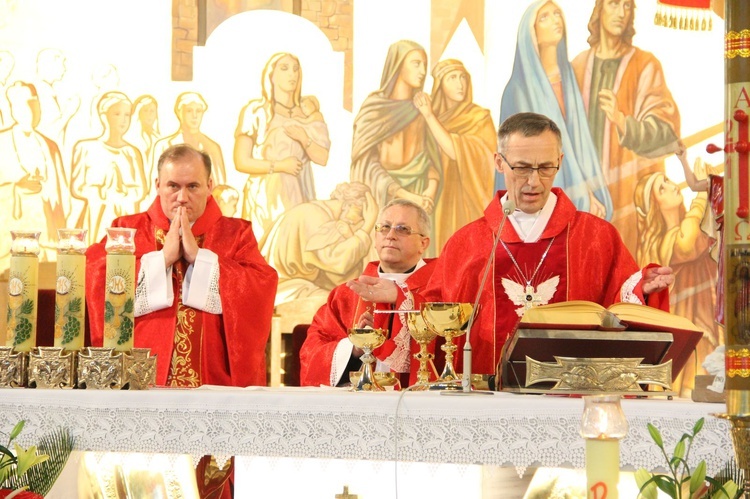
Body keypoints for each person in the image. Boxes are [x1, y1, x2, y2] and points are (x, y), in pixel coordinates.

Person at [347, 112, 674, 377]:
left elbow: (618, 309)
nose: (534, 181)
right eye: (521, 168)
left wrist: (640, 289)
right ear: (499, 162)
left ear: (559, 160)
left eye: (546, 167)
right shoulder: (469, 241)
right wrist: (402, 295)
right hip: (486, 397)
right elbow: (439, 310)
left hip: (573, 397)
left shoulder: (596, 237)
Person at [85, 143, 278, 388]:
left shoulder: (236, 233)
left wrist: (200, 259)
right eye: (173, 186)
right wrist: (162, 259)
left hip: (213, 381)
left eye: (193, 186)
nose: (182, 197)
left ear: (209, 186)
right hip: (137, 379)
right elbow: (96, 275)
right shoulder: (127, 230)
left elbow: (260, 286)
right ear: (157, 185)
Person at [571, 0, 680, 255]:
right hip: (584, 194)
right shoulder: (577, 66)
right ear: (599, 10)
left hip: (628, 194)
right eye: (613, 4)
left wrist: (623, 123)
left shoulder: (645, 64)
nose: (621, 13)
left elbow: (667, 132)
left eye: (628, 6)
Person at [301, 198, 436, 387]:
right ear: (375, 238)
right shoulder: (346, 294)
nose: (390, 235)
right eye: (384, 227)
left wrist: (403, 299)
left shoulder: (439, 288)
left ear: (423, 243)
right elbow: (312, 351)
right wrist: (354, 348)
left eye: (402, 229)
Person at [498, 0, 612, 220]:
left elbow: (580, 144)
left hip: (584, 195)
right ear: (531, 33)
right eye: (544, 17)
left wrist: (590, 190)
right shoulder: (518, 90)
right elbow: (531, 152)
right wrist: (581, 196)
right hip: (537, 198)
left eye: (557, 14)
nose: (555, 21)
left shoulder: (569, 79)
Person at [634, 151, 722, 396]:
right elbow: (688, 241)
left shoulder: (685, 226)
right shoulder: (666, 240)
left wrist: (685, 163)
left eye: (668, 181)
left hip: (704, 315)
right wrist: (701, 194)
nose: (672, 186)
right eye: (662, 189)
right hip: (688, 327)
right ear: (655, 206)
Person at [350, 40, 442, 249]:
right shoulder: (375, 109)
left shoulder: (421, 109)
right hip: (385, 194)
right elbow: (367, 164)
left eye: (424, 65)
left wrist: (429, 191)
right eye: (416, 63)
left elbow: (432, 158)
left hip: (420, 195)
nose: (422, 71)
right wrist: (407, 196)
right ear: (398, 65)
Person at [234, 52, 331, 249]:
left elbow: (322, 158)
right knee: (264, 251)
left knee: (292, 250)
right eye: (284, 68)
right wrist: (280, 166)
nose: (292, 74)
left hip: (298, 192)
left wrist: (305, 139)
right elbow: (241, 161)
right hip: (265, 195)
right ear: (271, 75)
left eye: (296, 69)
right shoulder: (257, 111)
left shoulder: (308, 114)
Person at [412, 59, 496, 253]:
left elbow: (457, 151)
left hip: (468, 197)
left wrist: (429, 116)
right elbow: (426, 158)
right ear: (440, 84)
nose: (460, 84)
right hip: (441, 199)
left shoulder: (479, 117)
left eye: (463, 78)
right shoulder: (432, 118)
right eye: (452, 78)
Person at [262, 182, 377, 306]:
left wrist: (350, 237)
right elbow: (338, 263)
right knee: (341, 305)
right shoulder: (313, 215)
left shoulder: (325, 216)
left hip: (298, 285)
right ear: (348, 205)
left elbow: (337, 275)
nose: (357, 221)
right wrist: (366, 227)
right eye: (360, 214)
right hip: (285, 288)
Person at [0, 81, 67, 264]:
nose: (30, 110)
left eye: (33, 104)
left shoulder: (49, 145)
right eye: (22, 104)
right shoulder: (3, 142)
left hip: (45, 233)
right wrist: (16, 187)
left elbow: (61, 195)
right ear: (13, 108)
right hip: (11, 236)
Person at [71, 91, 147, 244]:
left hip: (124, 222)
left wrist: (123, 191)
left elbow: (141, 190)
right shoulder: (86, 148)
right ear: (103, 115)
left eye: (127, 115)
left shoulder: (132, 153)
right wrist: (102, 191)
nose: (123, 120)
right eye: (117, 114)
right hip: (96, 218)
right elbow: (77, 187)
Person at [151, 92, 226, 189]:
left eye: (198, 111)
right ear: (179, 113)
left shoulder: (213, 147)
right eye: (189, 111)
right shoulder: (163, 146)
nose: (194, 116)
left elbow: (221, 187)